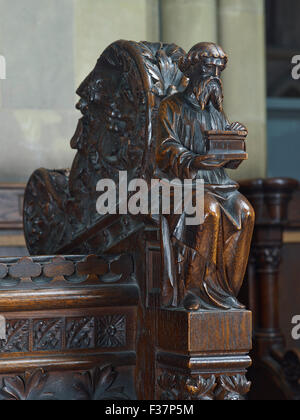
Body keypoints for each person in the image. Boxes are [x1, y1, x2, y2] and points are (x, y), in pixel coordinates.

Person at [156, 42, 255, 311]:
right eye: (208, 68)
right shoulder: (171, 107)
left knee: (245, 212)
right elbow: (164, 149)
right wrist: (194, 160)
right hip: (183, 185)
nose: (214, 75)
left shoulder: (216, 112)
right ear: (193, 71)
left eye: (218, 70)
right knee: (207, 211)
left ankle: (223, 293)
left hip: (220, 185)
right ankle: (193, 290)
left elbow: (229, 159)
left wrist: (236, 138)